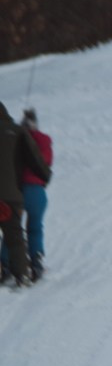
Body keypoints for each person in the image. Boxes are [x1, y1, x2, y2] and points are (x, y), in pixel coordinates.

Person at [0, 102, 33, 289]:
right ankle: (22, 276)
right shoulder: (16, 131)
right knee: (15, 237)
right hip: (12, 195)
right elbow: (31, 158)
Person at [15, 107, 49, 281]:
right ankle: (36, 262)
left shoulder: (16, 140)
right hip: (38, 190)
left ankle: (7, 264)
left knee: (14, 229)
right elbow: (47, 162)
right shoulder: (44, 140)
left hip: (19, 190)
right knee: (35, 227)